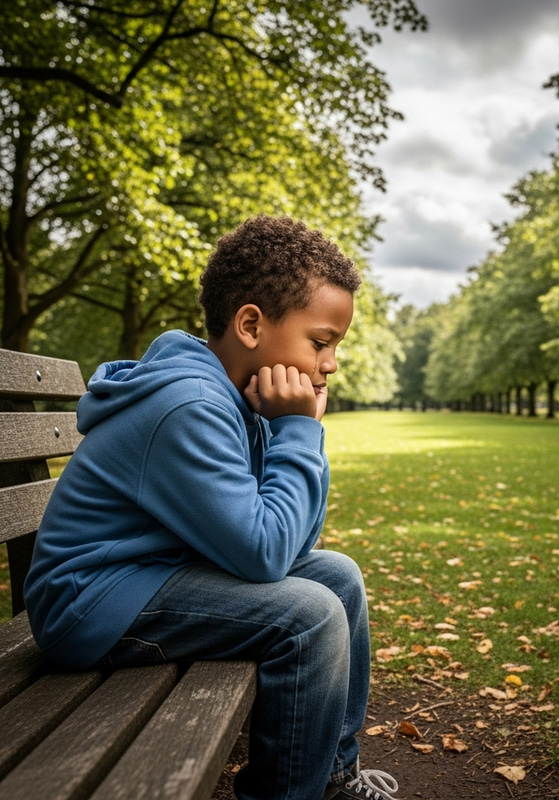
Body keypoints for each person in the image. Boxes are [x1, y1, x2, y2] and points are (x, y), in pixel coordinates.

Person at [23, 215, 401, 800]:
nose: (330, 365)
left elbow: (293, 542)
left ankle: (333, 775)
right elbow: (264, 555)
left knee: (338, 578)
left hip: (154, 574)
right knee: (311, 616)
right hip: (92, 603)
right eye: (321, 342)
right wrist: (299, 432)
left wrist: (285, 432)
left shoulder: (235, 399)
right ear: (251, 324)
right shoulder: (190, 406)